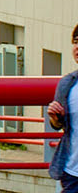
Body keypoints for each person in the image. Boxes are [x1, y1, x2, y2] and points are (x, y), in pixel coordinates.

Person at [48, 24, 78, 190]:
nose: (77, 47)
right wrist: (55, 117)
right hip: (72, 173)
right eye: (76, 41)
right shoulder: (67, 83)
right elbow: (59, 126)